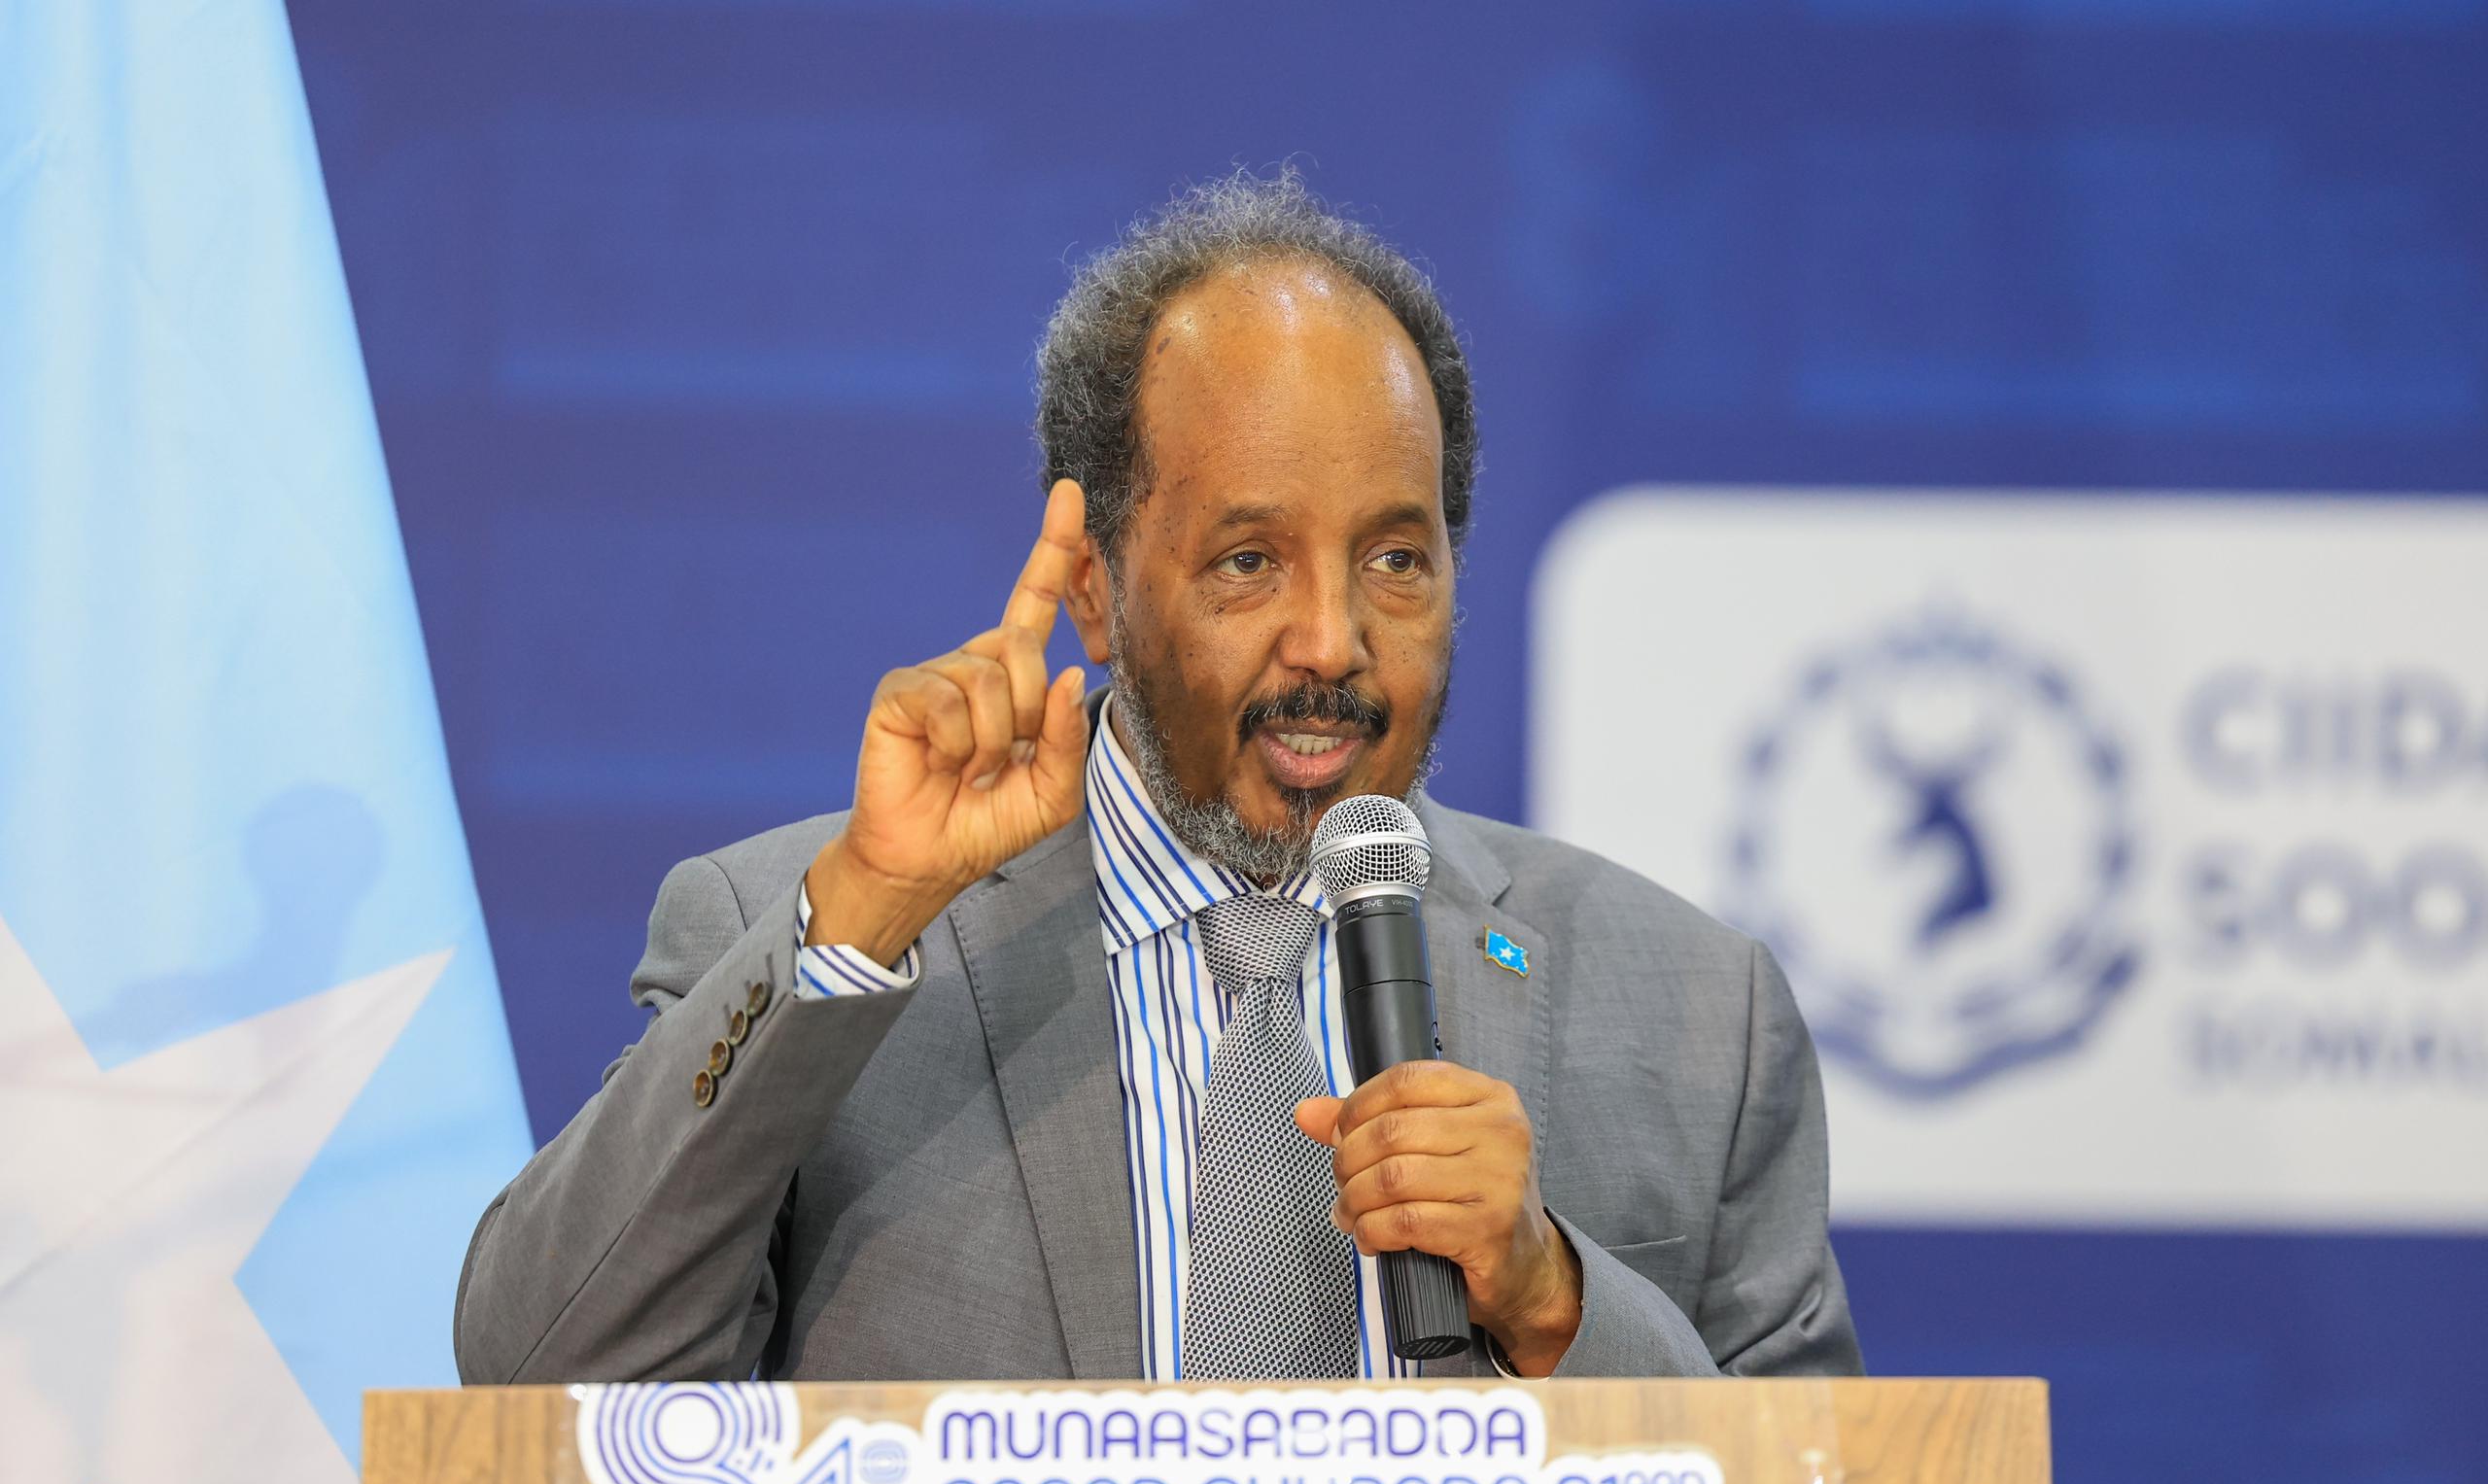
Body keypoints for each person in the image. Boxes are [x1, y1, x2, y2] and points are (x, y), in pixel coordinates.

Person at [453, 172, 1861, 1385]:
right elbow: (540, 1374)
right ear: (1096, 590)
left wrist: (1557, 1302)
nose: (1332, 640)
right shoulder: (818, 941)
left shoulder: (1692, 1012)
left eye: (1396, 559)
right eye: (1249, 561)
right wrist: (867, 911)